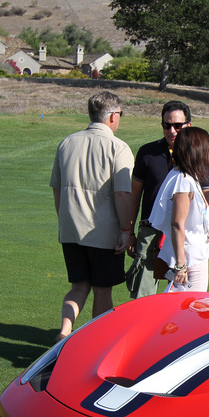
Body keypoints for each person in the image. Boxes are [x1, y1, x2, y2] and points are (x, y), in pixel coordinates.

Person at [50, 91, 135, 343]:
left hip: (71, 230)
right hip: (103, 233)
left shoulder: (67, 142)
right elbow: (122, 193)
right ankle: (99, 340)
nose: (120, 119)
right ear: (111, 116)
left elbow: (57, 187)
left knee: (78, 287)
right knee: (102, 290)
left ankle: (65, 331)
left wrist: (63, 220)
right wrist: (126, 231)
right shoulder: (118, 147)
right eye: (120, 114)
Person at [126, 101, 209, 299]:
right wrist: (128, 231)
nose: (172, 131)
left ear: (188, 126)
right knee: (145, 296)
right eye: (167, 125)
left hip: (187, 238)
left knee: (179, 298)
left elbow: (204, 197)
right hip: (152, 230)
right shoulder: (149, 153)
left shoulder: (198, 159)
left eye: (177, 126)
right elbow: (135, 196)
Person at [149, 127, 209, 292]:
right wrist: (180, 265)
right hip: (191, 258)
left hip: (194, 254)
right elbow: (177, 224)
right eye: (206, 146)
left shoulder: (185, 176)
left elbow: (203, 204)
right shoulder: (184, 180)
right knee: (191, 309)